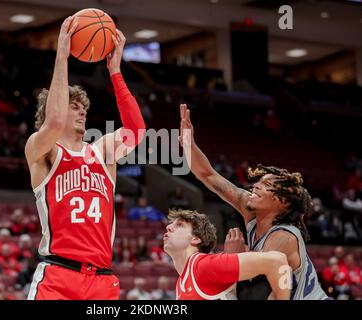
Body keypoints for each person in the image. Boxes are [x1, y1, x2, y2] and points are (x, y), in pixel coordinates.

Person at [24, 17, 145, 300]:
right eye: (74, 107)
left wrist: (115, 71)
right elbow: (52, 123)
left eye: (84, 108)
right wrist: (62, 57)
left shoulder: (102, 151)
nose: (82, 112)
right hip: (57, 275)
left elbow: (136, 131)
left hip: (102, 280)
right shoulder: (42, 149)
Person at [178, 104, 329, 300]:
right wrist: (190, 144)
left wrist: (232, 259)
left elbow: (254, 296)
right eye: (257, 181)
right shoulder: (250, 209)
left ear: (282, 201)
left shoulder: (283, 237)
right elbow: (208, 175)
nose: (255, 186)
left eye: (265, 185)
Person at [163, 209, 291, 300]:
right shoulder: (181, 283)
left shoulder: (203, 266)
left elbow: (277, 260)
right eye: (171, 224)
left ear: (195, 239)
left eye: (179, 225)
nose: (168, 227)